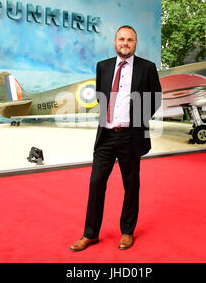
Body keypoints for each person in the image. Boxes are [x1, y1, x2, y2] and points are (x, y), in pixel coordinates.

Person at [69, 25, 162, 252]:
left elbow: (156, 98)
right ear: (115, 42)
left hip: (131, 136)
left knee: (131, 186)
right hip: (106, 136)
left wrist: (137, 120)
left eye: (130, 39)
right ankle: (90, 234)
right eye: (121, 39)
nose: (125, 43)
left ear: (135, 43)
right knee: (96, 184)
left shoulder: (147, 68)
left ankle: (127, 232)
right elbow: (102, 96)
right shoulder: (103, 67)